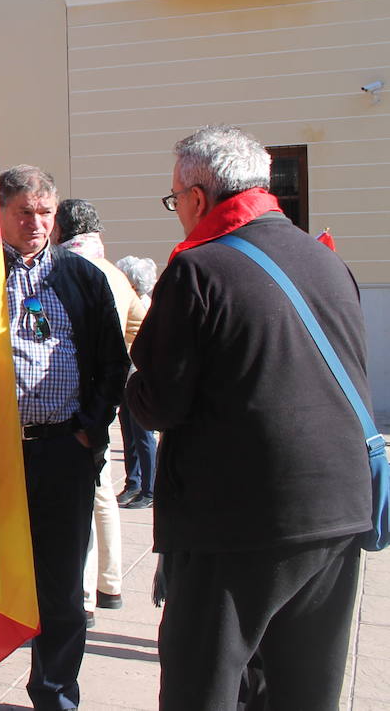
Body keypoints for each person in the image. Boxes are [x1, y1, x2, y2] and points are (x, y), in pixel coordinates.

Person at [126, 126, 372, 710]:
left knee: (201, 686)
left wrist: (130, 381)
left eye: (175, 200)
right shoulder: (326, 259)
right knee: (304, 691)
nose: (177, 214)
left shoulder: (199, 270)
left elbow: (161, 401)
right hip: (337, 508)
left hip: (235, 517)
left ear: (199, 196)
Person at [0, 165, 129, 711]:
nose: (36, 223)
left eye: (45, 213)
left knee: (60, 587)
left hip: (60, 451)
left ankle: (55, 693)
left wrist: (89, 428)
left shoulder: (82, 277)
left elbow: (113, 362)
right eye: (24, 213)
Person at [55, 198, 146, 624]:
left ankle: (85, 595)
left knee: (82, 497)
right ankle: (110, 584)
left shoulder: (64, 272)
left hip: (77, 398)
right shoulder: (116, 274)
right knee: (103, 492)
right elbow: (138, 326)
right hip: (109, 392)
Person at [113, 255, 158, 508]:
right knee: (129, 433)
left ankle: (149, 491)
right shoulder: (133, 301)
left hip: (138, 377)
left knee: (143, 436)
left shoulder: (143, 305)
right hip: (127, 378)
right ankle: (134, 483)